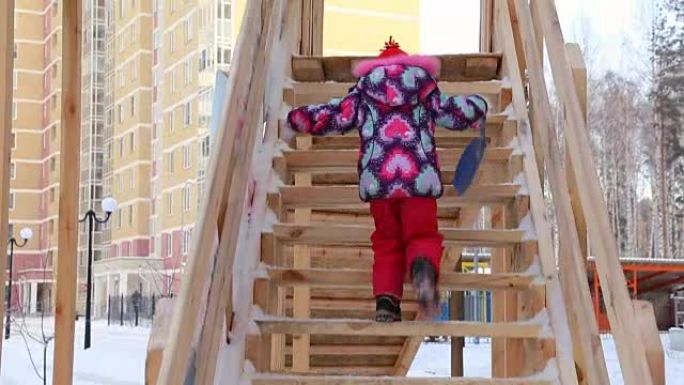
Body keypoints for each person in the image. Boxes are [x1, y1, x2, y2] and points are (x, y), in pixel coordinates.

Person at [286, 37, 488, 322]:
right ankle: (423, 270)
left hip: (379, 182)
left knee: (386, 241)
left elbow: (334, 116)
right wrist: (479, 106)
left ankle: (386, 303)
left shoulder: (362, 90)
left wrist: (296, 119)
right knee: (423, 235)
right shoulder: (424, 86)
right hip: (419, 181)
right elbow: (450, 113)